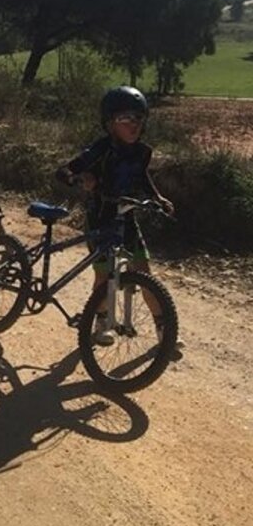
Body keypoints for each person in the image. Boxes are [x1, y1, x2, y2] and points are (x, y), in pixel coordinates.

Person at [55, 85, 181, 352]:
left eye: (139, 118)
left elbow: (141, 177)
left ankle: (163, 331)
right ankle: (101, 322)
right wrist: (80, 179)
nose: (134, 124)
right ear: (110, 123)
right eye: (126, 118)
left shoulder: (142, 152)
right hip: (101, 219)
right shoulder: (100, 150)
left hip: (126, 218)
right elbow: (64, 171)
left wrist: (157, 198)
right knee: (104, 276)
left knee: (143, 271)